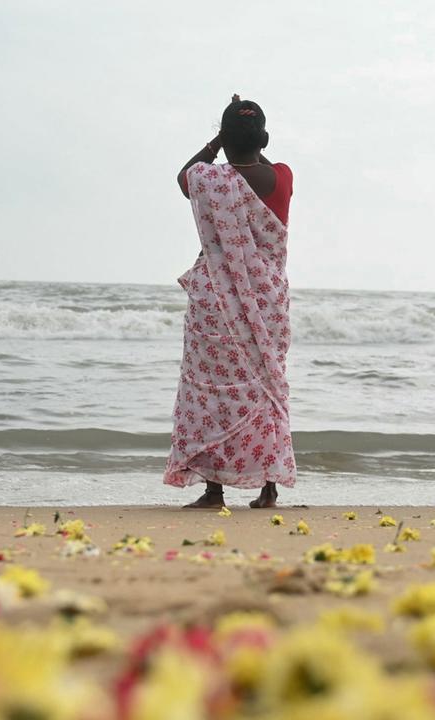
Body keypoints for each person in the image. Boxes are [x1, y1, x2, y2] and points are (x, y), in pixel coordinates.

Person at [163, 94, 296, 510]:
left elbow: (184, 175)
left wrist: (217, 142)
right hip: (266, 300)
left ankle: (213, 490)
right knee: (264, 389)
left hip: (214, 301)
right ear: (266, 138)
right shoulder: (282, 177)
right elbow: (266, 169)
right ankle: (268, 487)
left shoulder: (206, 179)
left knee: (209, 391)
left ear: (224, 138)